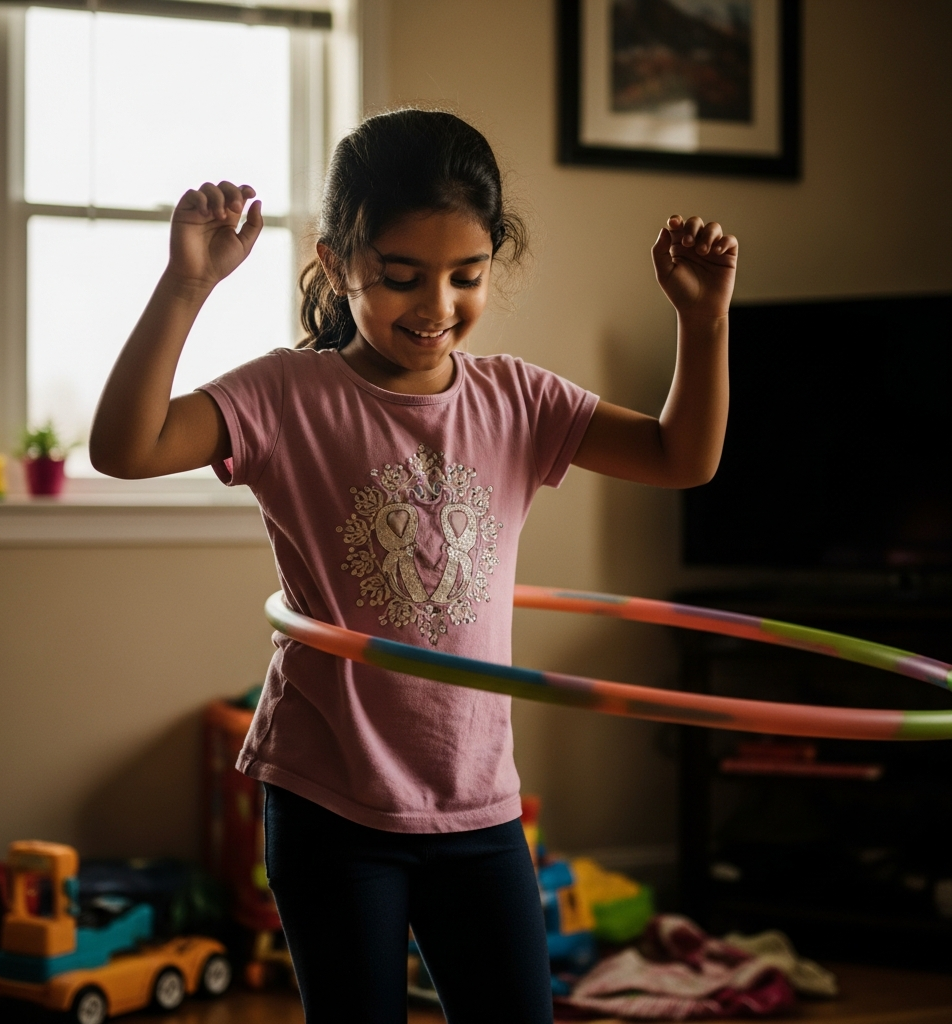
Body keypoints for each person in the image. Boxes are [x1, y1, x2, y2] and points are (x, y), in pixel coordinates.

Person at [91, 109, 736, 1023]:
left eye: (465, 277)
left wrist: (703, 322)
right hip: (331, 800)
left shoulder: (518, 399)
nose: (436, 308)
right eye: (401, 278)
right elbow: (127, 447)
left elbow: (682, 458)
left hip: (479, 805)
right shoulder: (288, 395)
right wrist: (184, 288)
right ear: (336, 262)